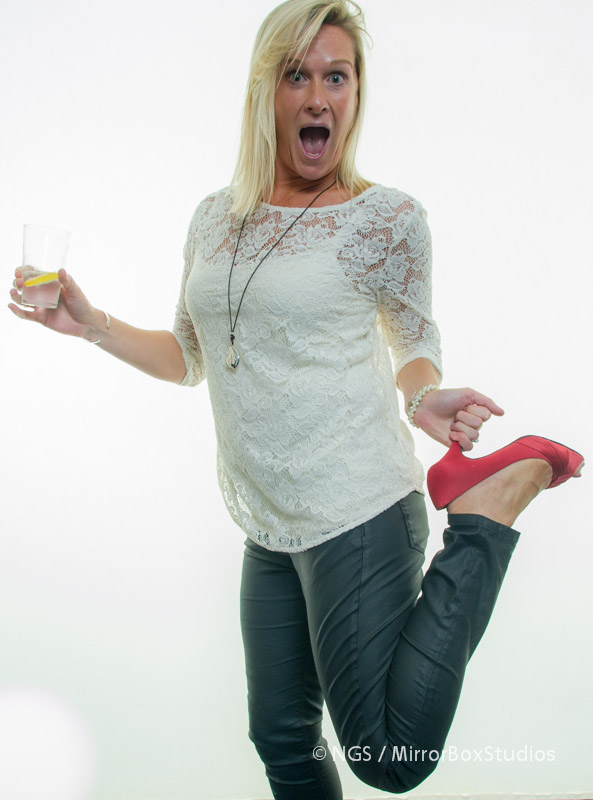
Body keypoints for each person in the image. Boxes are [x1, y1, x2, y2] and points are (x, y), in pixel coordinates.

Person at [9, 0, 583, 797]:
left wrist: (423, 396)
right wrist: (91, 324)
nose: (317, 97)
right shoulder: (214, 219)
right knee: (281, 737)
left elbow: (413, 339)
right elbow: (191, 356)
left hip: (357, 510)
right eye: (295, 75)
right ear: (264, 90)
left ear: (355, 93)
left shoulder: (386, 218)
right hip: (268, 519)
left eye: (335, 77)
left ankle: (481, 522)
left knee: (388, 758)